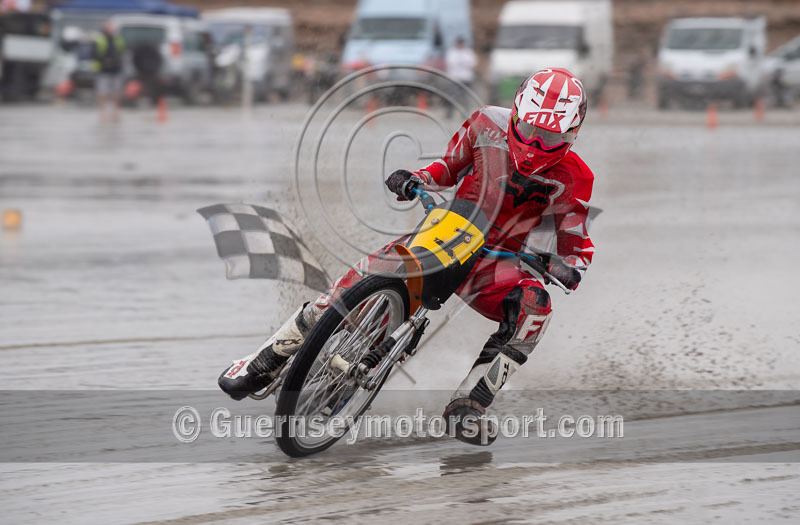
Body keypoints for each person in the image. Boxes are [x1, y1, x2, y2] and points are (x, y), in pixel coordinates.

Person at [219, 68, 595, 446]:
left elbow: (576, 242)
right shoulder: (486, 123)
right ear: (515, 114)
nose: (536, 143)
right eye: (530, 131)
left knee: (537, 307)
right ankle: (264, 360)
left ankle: (470, 403)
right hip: (450, 229)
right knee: (351, 285)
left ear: (572, 133)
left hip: (499, 265)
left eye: (550, 137)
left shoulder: (576, 176)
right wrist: (415, 178)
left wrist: (569, 267)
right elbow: (449, 166)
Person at [93, 20, 125, 122]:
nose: (111, 29)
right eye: (109, 27)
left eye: (112, 27)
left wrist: (117, 61)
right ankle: (102, 112)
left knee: (117, 91)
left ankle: (115, 112)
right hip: (103, 70)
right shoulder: (99, 39)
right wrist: (104, 61)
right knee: (102, 91)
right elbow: (94, 54)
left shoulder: (118, 39)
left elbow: (122, 52)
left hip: (116, 69)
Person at [445, 36, 477, 116]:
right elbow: (450, 63)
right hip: (454, 78)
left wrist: (463, 63)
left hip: (466, 78)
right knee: (452, 97)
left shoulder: (468, 52)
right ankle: (449, 113)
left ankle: (465, 113)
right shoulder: (452, 52)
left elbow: (472, 63)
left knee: (465, 98)